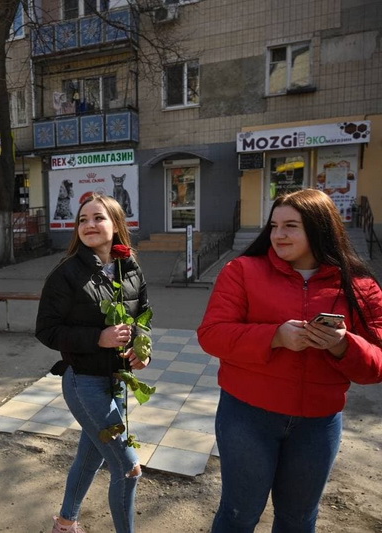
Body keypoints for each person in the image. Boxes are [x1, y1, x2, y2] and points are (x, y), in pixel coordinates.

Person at [197, 188, 382, 533]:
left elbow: (377, 364)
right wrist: (275, 337)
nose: (278, 235)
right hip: (247, 417)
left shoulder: (360, 287)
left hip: (318, 424)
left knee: (298, 520)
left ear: (320, 227)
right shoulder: (242, 271)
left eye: (291, 226)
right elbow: (212, 334)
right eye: (274, 225)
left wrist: (345, 346)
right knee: (239, 515)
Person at [36, 193, 151, 533]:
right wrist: (97, 338)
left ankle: (65, 522)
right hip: (84, 383)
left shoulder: (130, 267)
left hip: (117, 381)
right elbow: (46, 330)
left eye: (98, 218)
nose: (89, 225)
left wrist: (142, 347)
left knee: (91, 456)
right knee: (128, 469)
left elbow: (142, 316)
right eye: (83, 220)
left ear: (116, 225)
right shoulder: (66, 273)